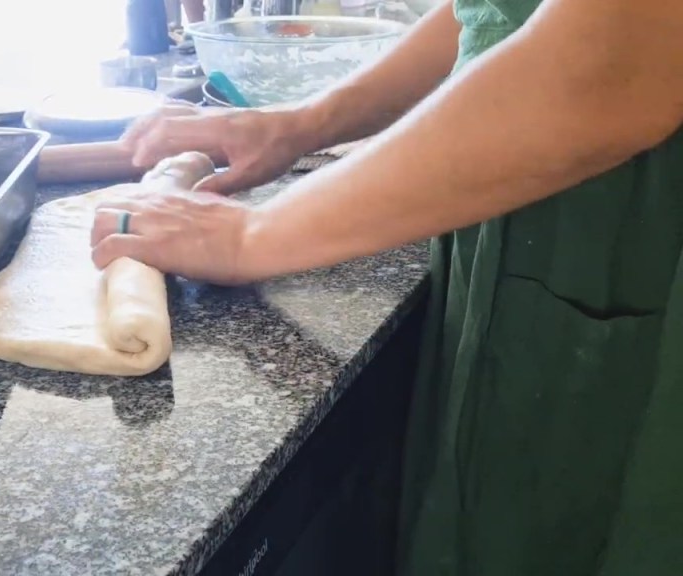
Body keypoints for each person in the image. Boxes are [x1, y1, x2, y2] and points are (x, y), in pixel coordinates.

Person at [90, 1, 683, 575]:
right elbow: (499, 10)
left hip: (638, 236)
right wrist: (305, 123)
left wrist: (252, 234)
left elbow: (622, 52)